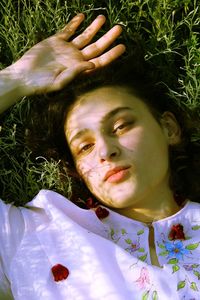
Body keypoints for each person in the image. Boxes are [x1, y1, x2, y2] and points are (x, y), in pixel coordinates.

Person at [0, 13, 200, 300]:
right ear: (77, 169)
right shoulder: (35, 236)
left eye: (121, 126)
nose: (106, 150)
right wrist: (14, 80)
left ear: (168, 128)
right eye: (85, 147)